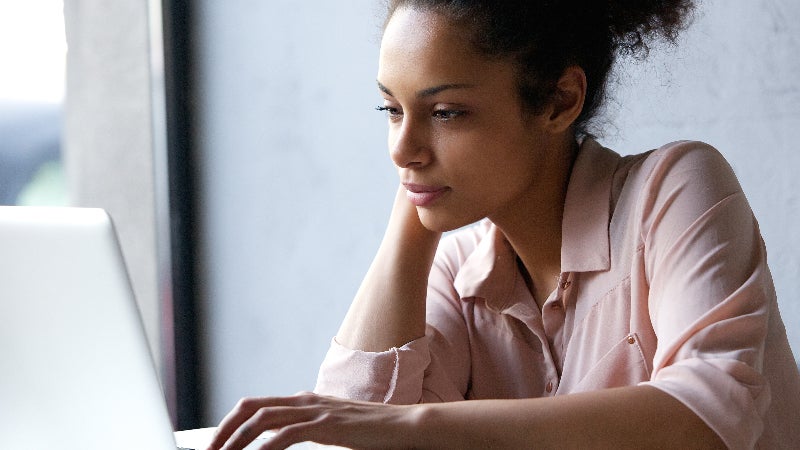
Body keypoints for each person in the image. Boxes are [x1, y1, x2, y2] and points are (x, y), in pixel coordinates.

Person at [207, 1, 800, 448]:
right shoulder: (454, 267)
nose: (400, 147)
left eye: (445, 112)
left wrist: (417, 422)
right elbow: (345, 430)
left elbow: (711, 413)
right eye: (392, 109)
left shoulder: (675, 187)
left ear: (558, 101)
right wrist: (414, 213)